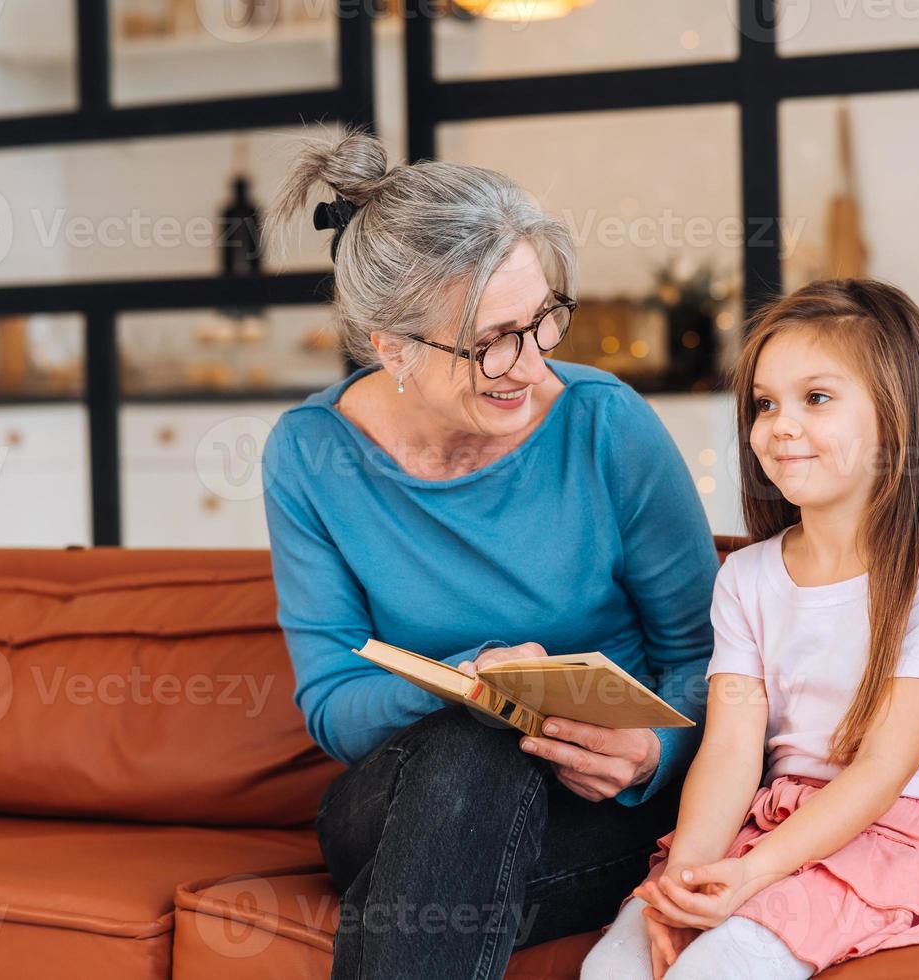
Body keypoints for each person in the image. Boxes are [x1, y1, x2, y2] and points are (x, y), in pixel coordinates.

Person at [259, 124, 719, 979]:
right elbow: (331, 701)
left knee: (446, 854)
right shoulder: (311, 453)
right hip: (393, 797)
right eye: (491, 340)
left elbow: (708, 656)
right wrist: (476, 680)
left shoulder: (604, 425)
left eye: (544, 320)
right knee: (474, 740)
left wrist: (656, 754)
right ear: (390, 345)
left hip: (600, 803)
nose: (534, 365)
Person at [582, 279, 919, 979]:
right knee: (615, 964)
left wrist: (752, 878)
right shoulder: (746, 577)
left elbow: (880, 771)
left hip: (901, 834)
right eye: (764, 404)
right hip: (773, 826)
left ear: (895, 417)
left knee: (716, 967)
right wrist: (684, 881)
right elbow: (728, 751)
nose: (780, 425)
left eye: (816, 398)